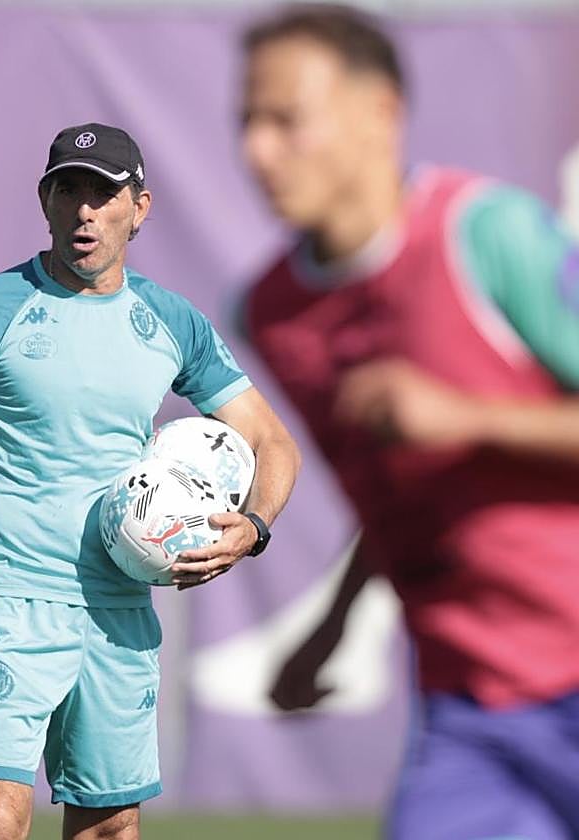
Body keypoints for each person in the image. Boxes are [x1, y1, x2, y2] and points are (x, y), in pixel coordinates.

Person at [0, 122, 299, 840]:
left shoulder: (171, 321)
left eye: (103, 194)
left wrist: (254, 526)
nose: (85, 211)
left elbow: (272, 443)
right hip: (8, 597)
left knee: (109, 828)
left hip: (118, 609)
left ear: (139, 208)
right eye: (69, 191)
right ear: (45, 202)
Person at [238, 5, 579, 838]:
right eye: (245, 121)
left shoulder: (485, 235)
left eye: (286, 120)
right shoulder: (274, 313)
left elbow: (449, 438)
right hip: (472, 708)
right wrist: (331, 627)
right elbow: (406, 497)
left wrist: (464, 413)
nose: (257, 150)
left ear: (380, 111)